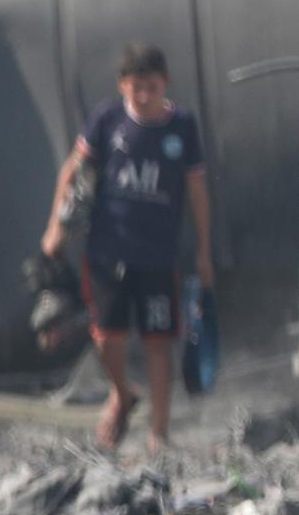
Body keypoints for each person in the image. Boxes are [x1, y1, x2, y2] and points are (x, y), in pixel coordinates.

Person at [39, 42, 212, 450]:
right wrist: (55, 228)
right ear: (123, 86)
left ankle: (159, 433)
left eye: (152, 87)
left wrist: (204, 250)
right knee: (106, 338)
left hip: (157, 255)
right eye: (137, 88)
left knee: (158, 342)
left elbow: (197, 190)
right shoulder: (107, 120)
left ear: (165, 83)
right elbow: (73, 170)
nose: (145, 97)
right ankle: (122, 393)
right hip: (107, 252)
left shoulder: (181, 127)